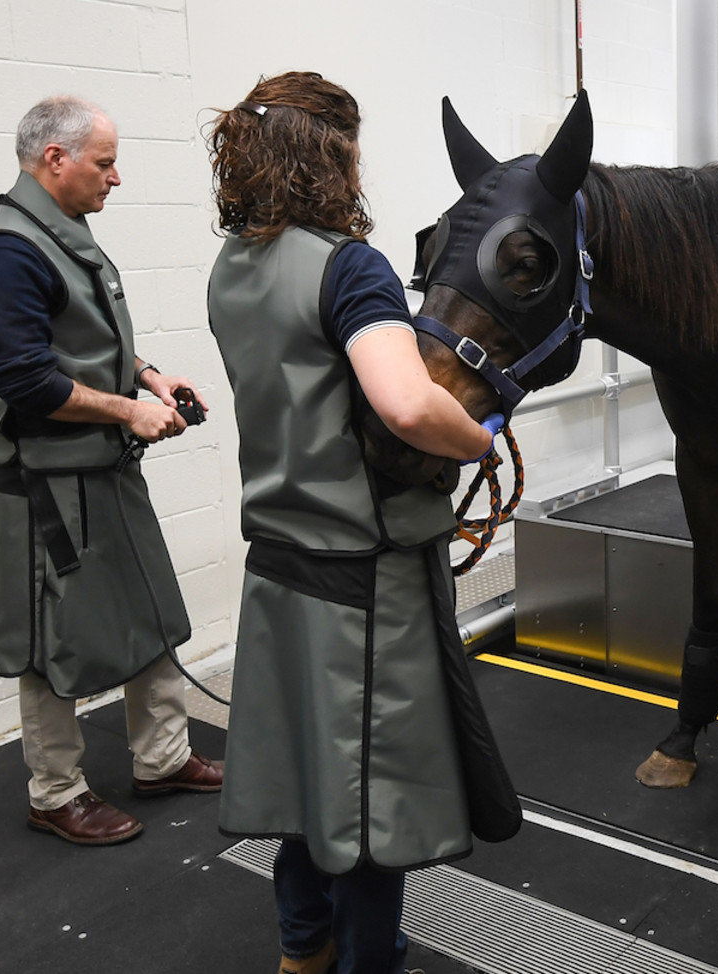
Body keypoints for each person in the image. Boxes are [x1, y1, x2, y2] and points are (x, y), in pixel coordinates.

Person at [206, 72, 521, 974]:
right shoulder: (349, 267)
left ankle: (303, 949)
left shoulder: (233, 265)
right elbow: (410, 408)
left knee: (312, 778)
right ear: (333, 154)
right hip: (364, 578)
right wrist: (479, 439)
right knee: (375, 800)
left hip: (280, 565)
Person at [0, 95, 223, 847]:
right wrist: (128, 412)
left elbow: (84, 336)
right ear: (55, 160)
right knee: (50, 641)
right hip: (49, 484)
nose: (116, 178)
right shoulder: (4, 253)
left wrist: (150, 378)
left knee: (150, 610)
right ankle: (55, 791)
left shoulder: (61, 232)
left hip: (104, 469)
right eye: (104, 163)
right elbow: (29, 382)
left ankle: (162, 758)